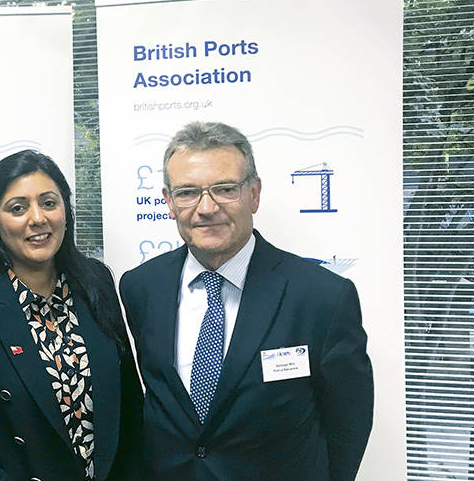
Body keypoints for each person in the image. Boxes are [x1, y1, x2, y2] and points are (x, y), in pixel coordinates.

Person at [119, 121, 373, 480]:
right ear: (169, 202)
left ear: (254, 193)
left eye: (224, 189)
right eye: (188, 192)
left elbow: (349, 424)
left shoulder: (322, 298)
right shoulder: (141, 288)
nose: (206, 208)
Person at [0, 150, 142, 481]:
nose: (38, 218)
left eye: (48, 203)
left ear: (66, 212)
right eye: (18, 208)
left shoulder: (95, 282)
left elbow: (130, 411)